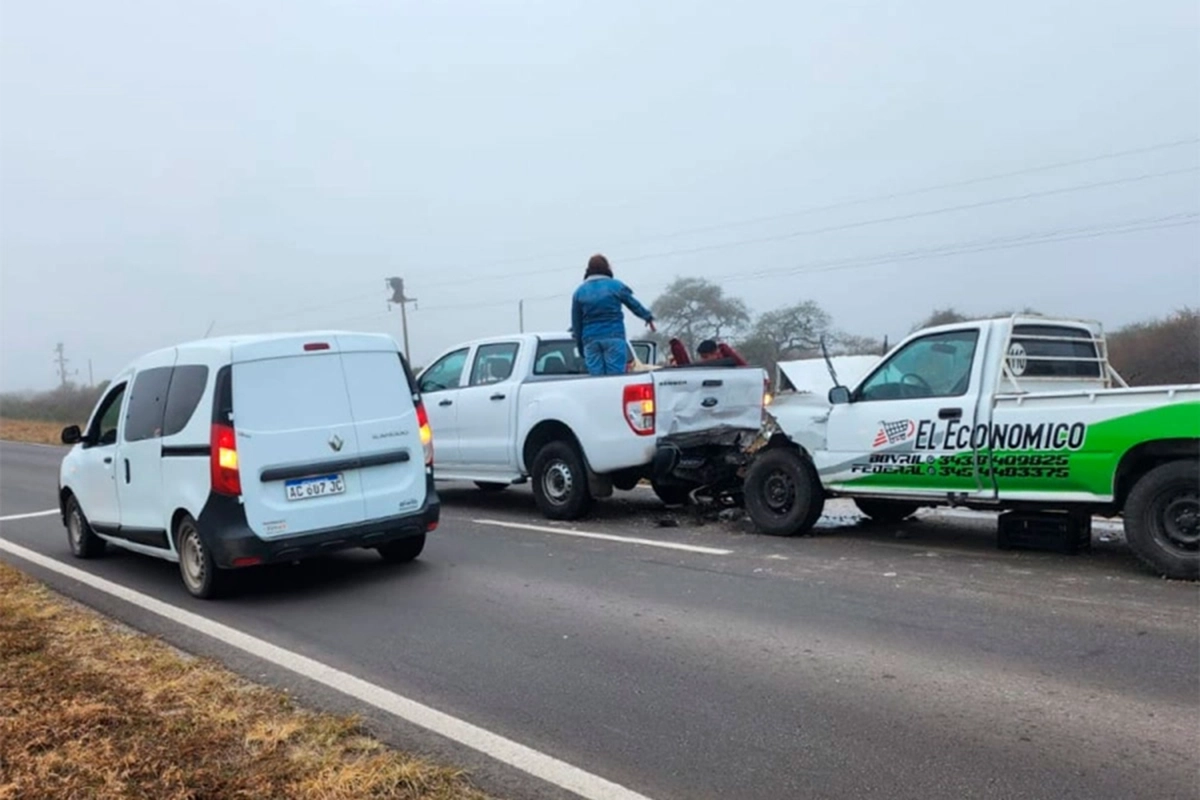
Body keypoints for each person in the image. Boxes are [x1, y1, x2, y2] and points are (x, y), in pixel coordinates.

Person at [571, 254, 656, 376]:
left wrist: (581, 347)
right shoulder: (616, 286)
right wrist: (647, 317)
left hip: (590, 340)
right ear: (607, 268)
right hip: (614, 336)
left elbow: (576, 323)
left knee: (596, 380)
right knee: (615, 379)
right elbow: (633, 304)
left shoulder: (579, 292)